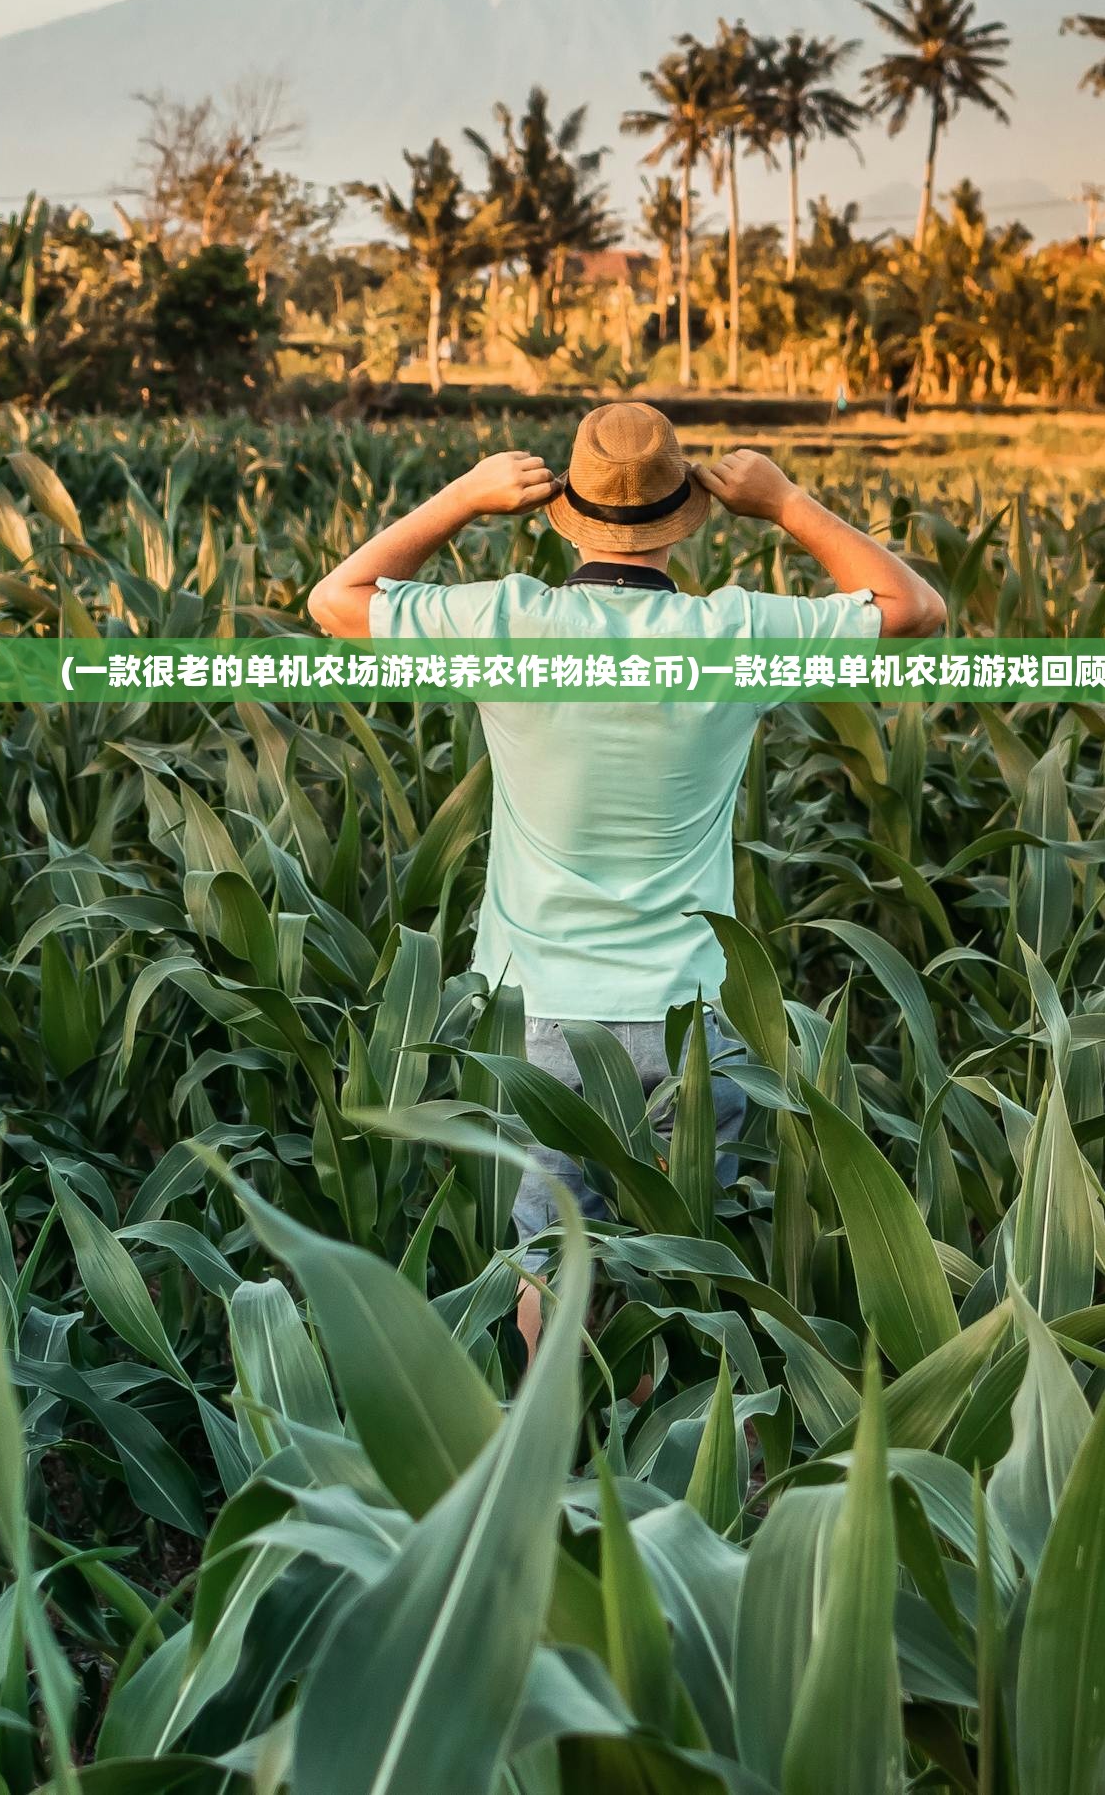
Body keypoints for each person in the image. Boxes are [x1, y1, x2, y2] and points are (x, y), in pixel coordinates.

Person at [308, 402, 946, 1352]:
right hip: (692, 1013)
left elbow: (333, 602)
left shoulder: (506, 619)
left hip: (538, 1012)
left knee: (545, 1259)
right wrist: (785, 504)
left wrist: (466, 497)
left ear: (564, 504)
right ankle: (669, 1459)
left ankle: (556, 1455)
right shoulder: (734, 632)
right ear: (683, 509)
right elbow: (915, 609)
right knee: (681, 1258)